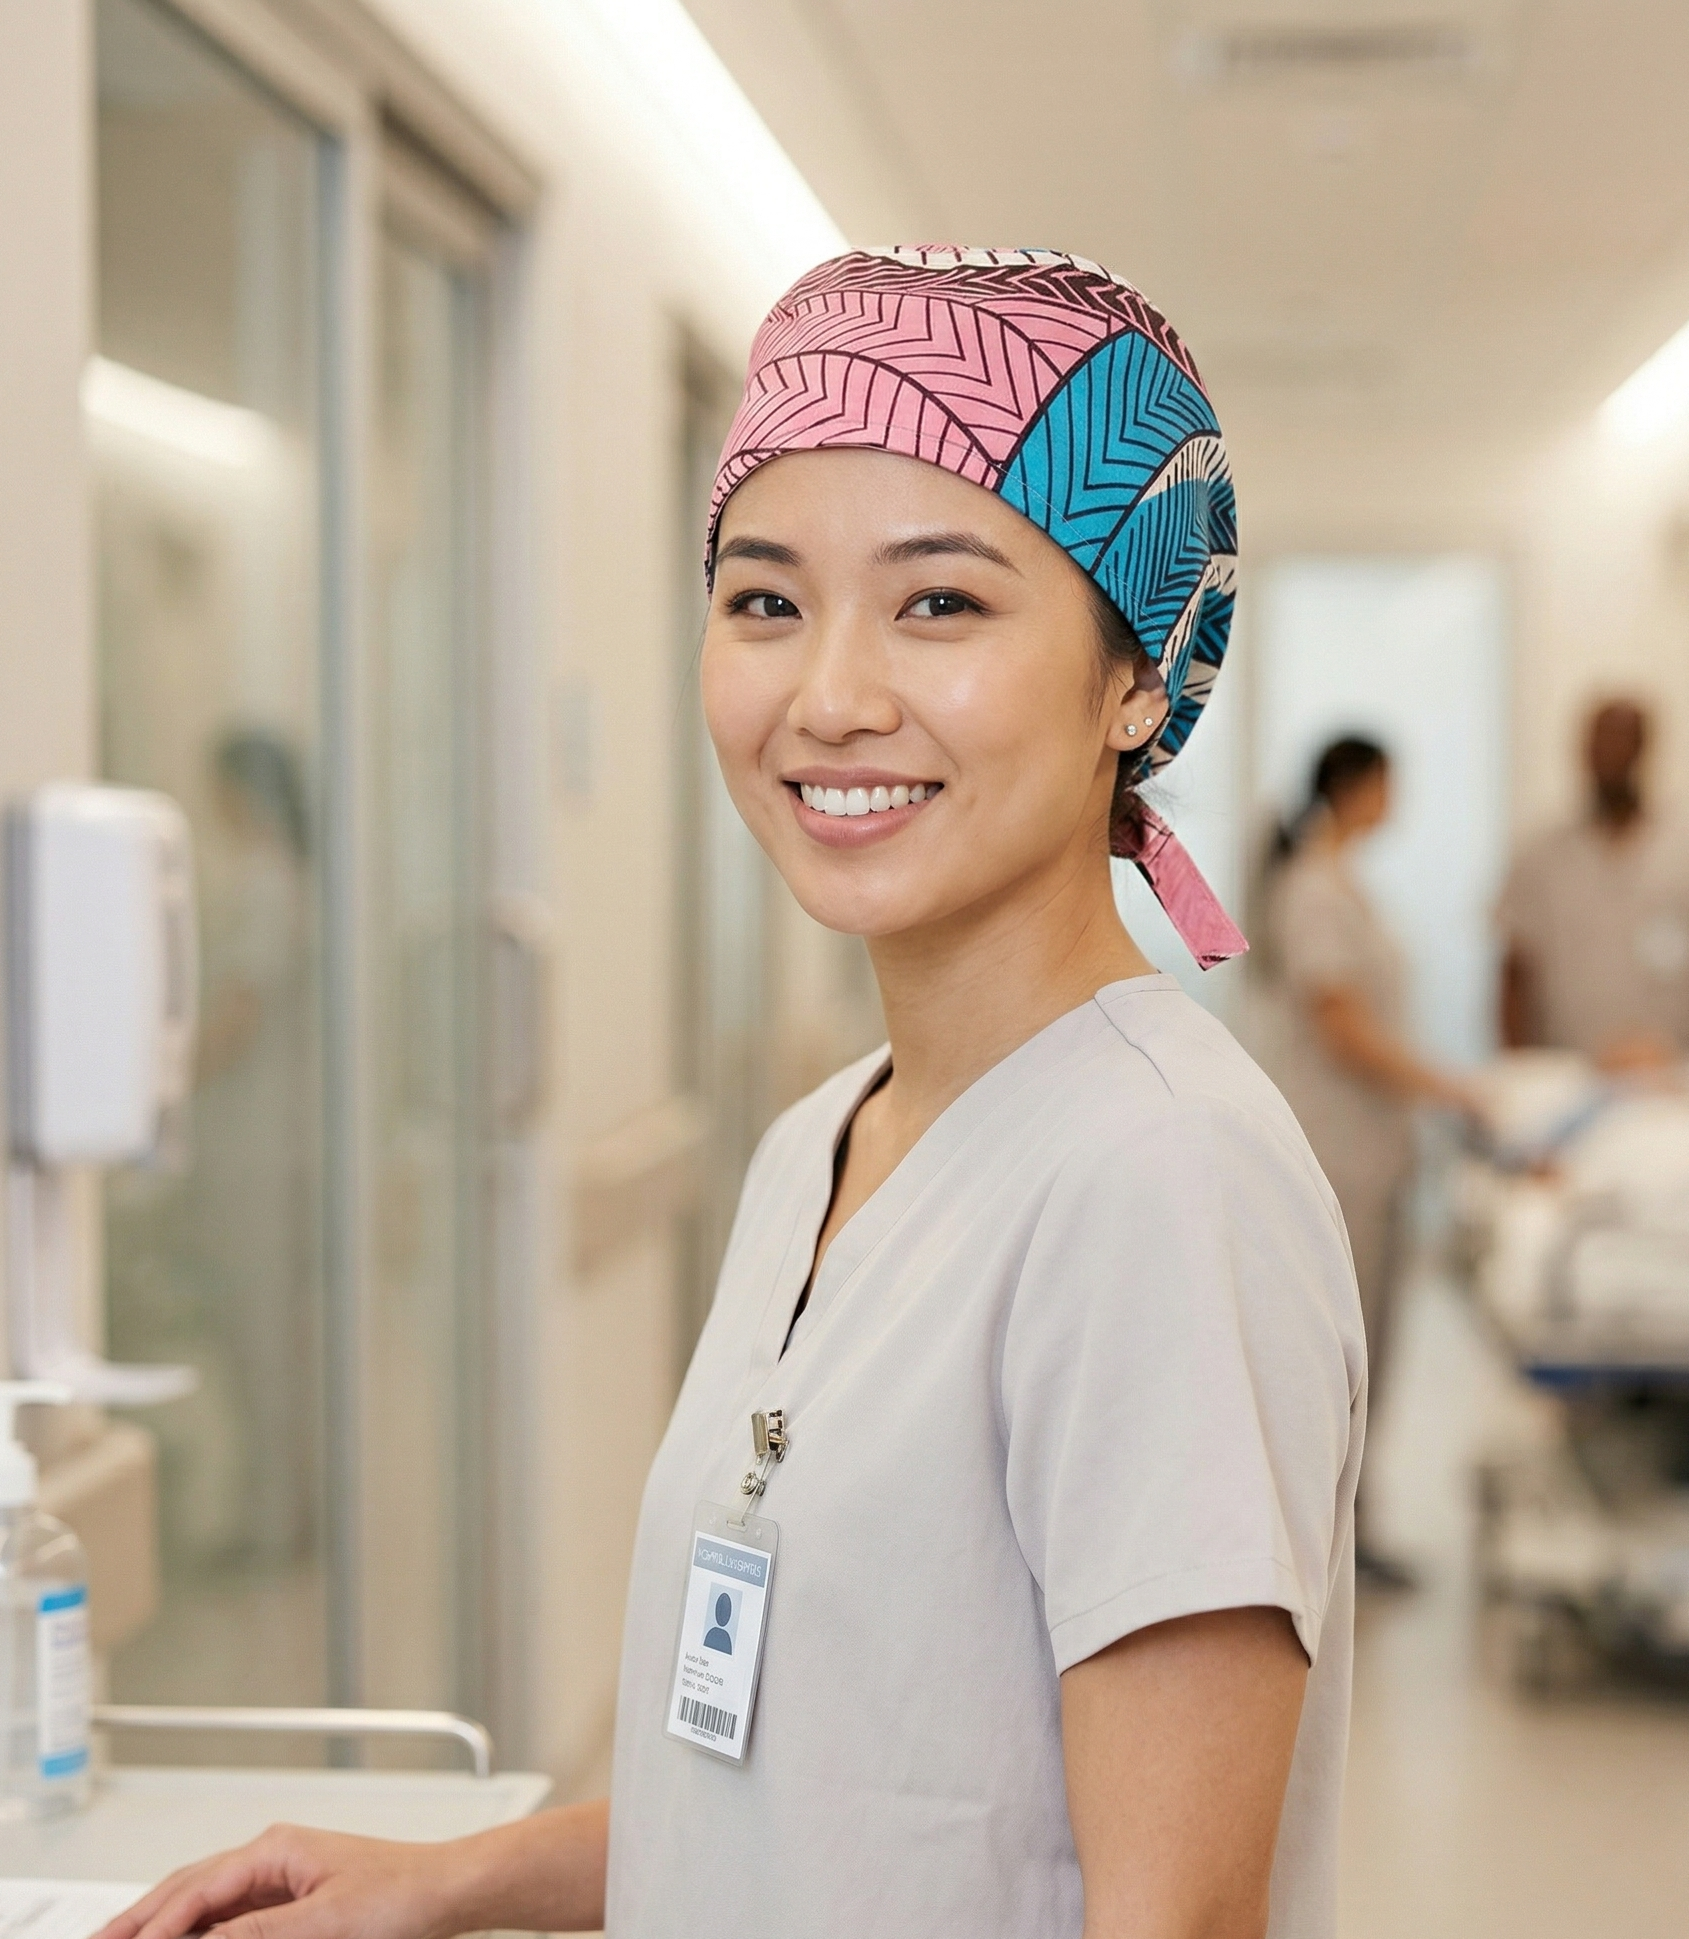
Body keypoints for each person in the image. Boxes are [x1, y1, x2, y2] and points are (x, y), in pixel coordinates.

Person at [94, 248, 1363, 1939]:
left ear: (1140, 676)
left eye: (942, 601)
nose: (829, 695)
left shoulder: (1158, 1178)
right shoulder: (817, 1146)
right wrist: (451, 1875)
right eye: (765, 598)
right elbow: (824, 1790)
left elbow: (1177, 1917)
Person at [1262, 735, 1477, 1588]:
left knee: (1371, 1346)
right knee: (1336, 1357)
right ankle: (1322, 1539)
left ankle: (1352, 1525)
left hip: (1373, 1152)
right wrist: (1447, 1086)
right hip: (1336, 1153)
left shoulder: (1343, 881)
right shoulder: (1315, 887)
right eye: (1391, 783)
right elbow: (1340, 1024)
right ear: (1357, 787)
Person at [1498, 697, 1689, 1066]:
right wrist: (1517, 1071)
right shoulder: (1539, 858)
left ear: (1645, 749)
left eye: (1623, 741)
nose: (1610, 754)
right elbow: (1514, 973)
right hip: (1568, 1072)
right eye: (1599, 743)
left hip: (1675, 1077)